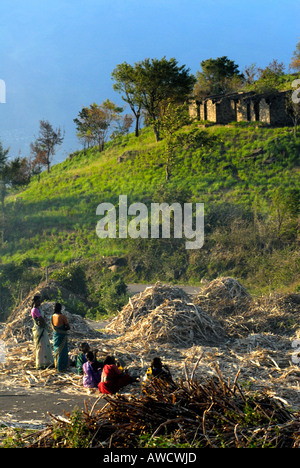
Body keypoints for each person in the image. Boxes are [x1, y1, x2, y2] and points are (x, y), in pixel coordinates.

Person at [31, 295, 53, 369]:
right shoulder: (35, 310)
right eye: (39, 301)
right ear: (35, 301)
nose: (40, 302)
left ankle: (46, 362)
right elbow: (41, 319)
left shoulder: (39, 309)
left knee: (44, 345)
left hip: (42, 329)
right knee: (41, 346)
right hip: (39, 329)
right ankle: (41, 363)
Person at [51, 302, 70, 372]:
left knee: (56, 351)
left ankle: (56, 365)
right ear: (60, 309)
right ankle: (61, 367)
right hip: (62, 337)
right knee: (62, 352)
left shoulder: (52, 317)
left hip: (55, 336)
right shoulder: (62, 317)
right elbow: (68, 327)